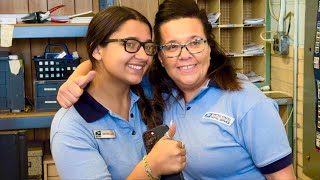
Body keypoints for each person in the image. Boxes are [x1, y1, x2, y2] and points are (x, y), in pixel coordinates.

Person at [57, 0, 296, 179]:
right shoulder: (158, 91)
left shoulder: (247, 102)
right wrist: (76, 77)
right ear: (161, 56)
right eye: (172, 46)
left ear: (209, 46)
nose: (185, 55)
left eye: (195, 42)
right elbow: (108, 65)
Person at [50, 6, 186, 180]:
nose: (144, 56)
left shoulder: (148, 90)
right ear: (97, 50)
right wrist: (152, 166)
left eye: (147, 47)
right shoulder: (70, 126)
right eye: (130, 44)